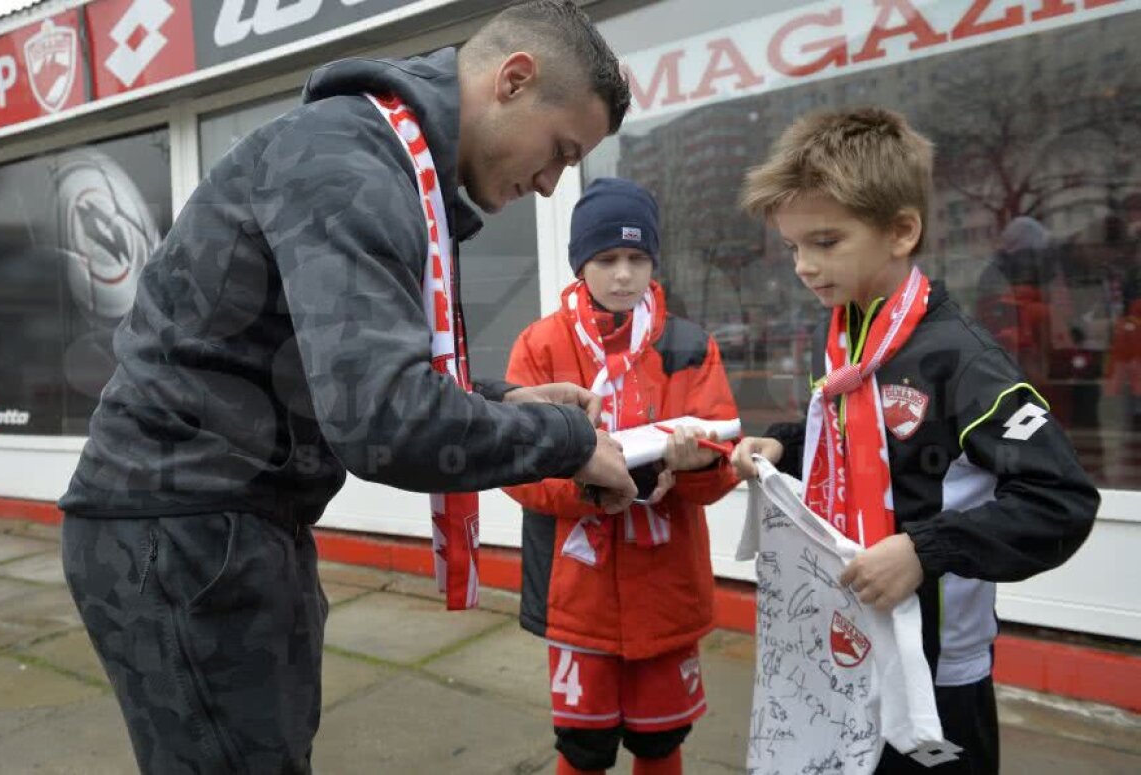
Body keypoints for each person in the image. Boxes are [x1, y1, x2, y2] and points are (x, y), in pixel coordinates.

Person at [57, 2, 637, 772]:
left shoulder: (383, 161)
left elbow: (340, 368)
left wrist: (498, 401)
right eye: (561, 150)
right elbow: (385, 422)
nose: (551, 183)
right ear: (514, 80)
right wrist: (570, 441)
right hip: (182, 532)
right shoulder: (348, 160)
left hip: (225, 522)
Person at [730, 108, 1099, 774]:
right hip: (846, 645)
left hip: (937, 676)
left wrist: (925, 550)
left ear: (901, 231)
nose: (804, 266)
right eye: (791, 247)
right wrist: (785, 444)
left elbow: (1061, 500)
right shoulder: (842, 332)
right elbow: (856, 439)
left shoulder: (964, 359)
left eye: (825, 241)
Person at [503, 178, 740, 775]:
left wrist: (697, 465)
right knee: (583, 747)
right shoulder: (539, 346)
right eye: (606, 258)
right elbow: (514, 462)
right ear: (580, 263)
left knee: (662, 739)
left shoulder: (690, 345)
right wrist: (592, 487)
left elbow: (723, 462)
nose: (623, 275)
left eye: (637, 257)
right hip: (576, 590)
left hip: (666, 588)